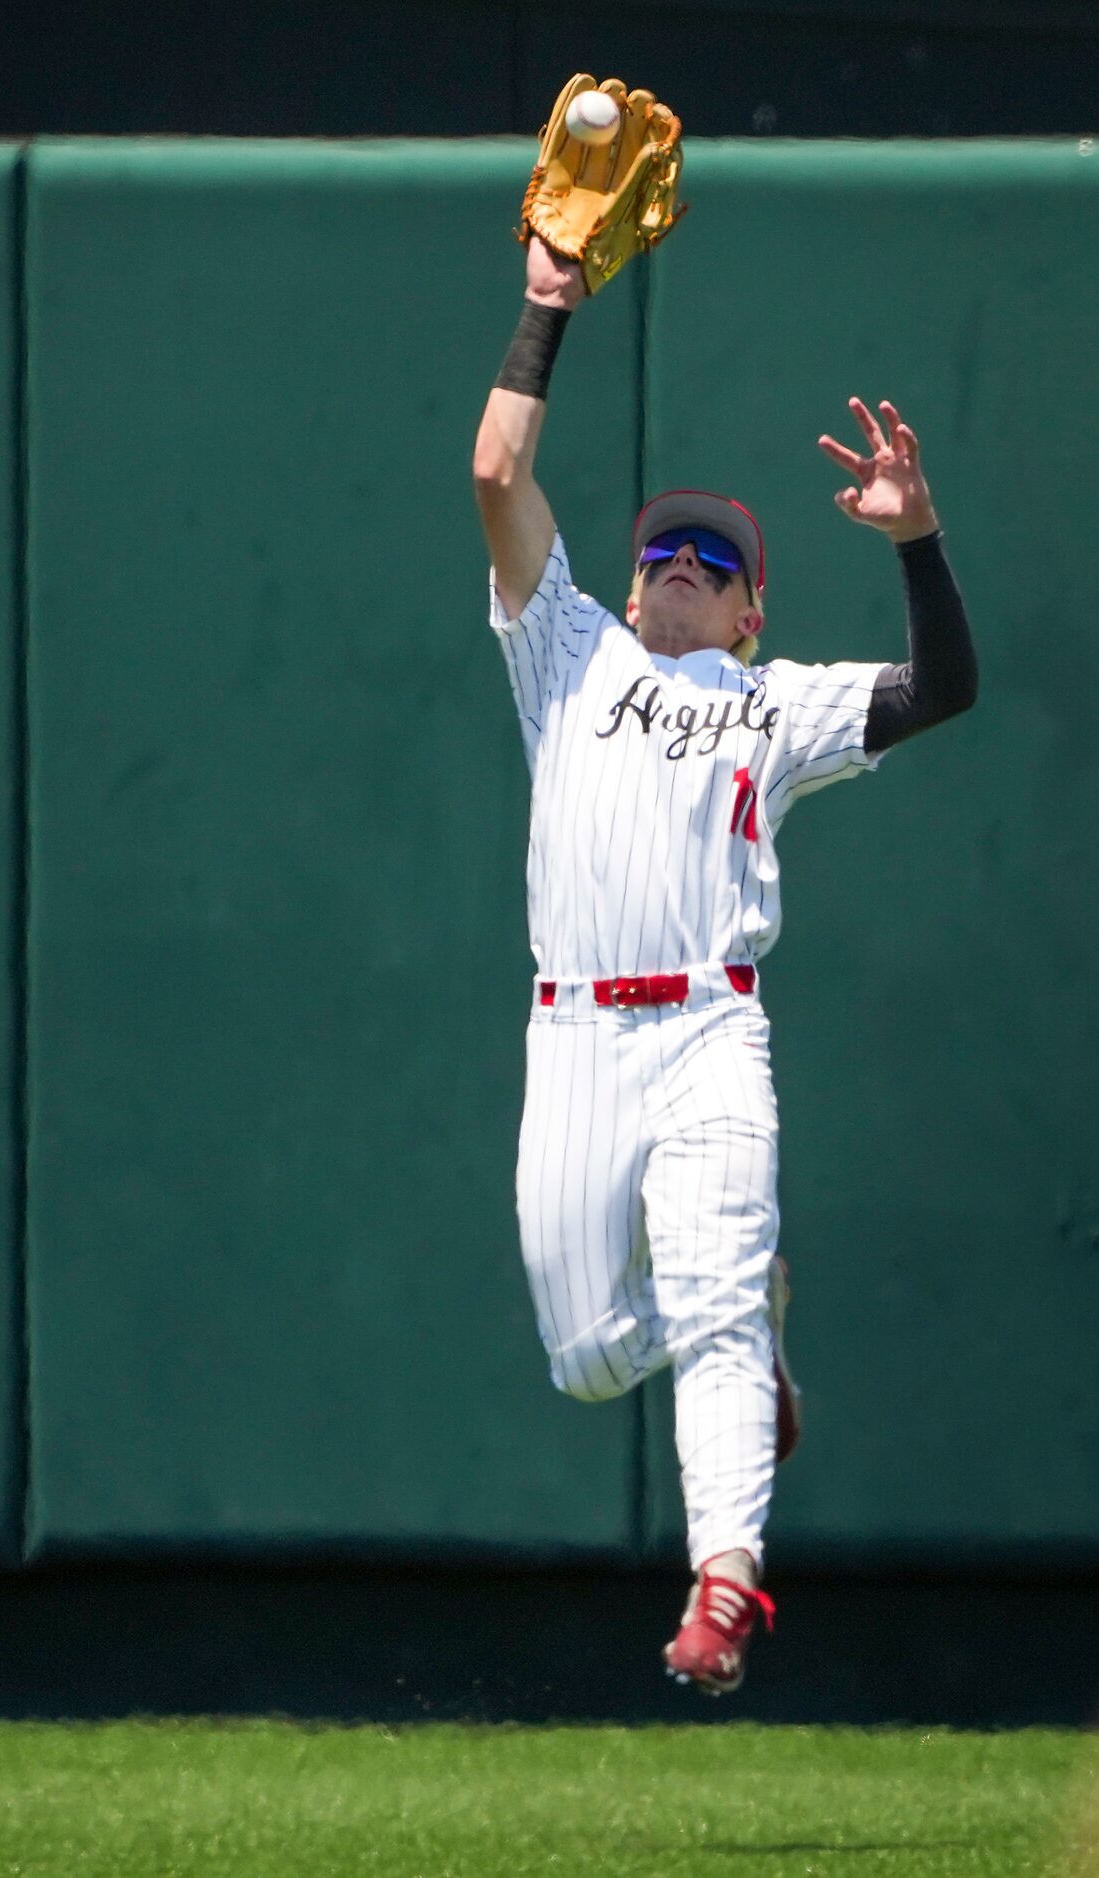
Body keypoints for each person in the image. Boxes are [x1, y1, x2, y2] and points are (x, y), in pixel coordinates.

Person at [472, 232, 977, 1695]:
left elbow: (942, 687)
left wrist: (913, 539)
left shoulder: (772, 700)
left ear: (749, 608)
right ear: (630, 591)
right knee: (583, 1354)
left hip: (706, 1031)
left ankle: (725, 1583)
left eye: (714, 563)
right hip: (571, 1037)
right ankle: (752, 1335)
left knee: (698, 1296)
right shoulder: (568, 655)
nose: (682, 572)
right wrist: (545, 307)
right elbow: (499, 477)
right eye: (663, 557)